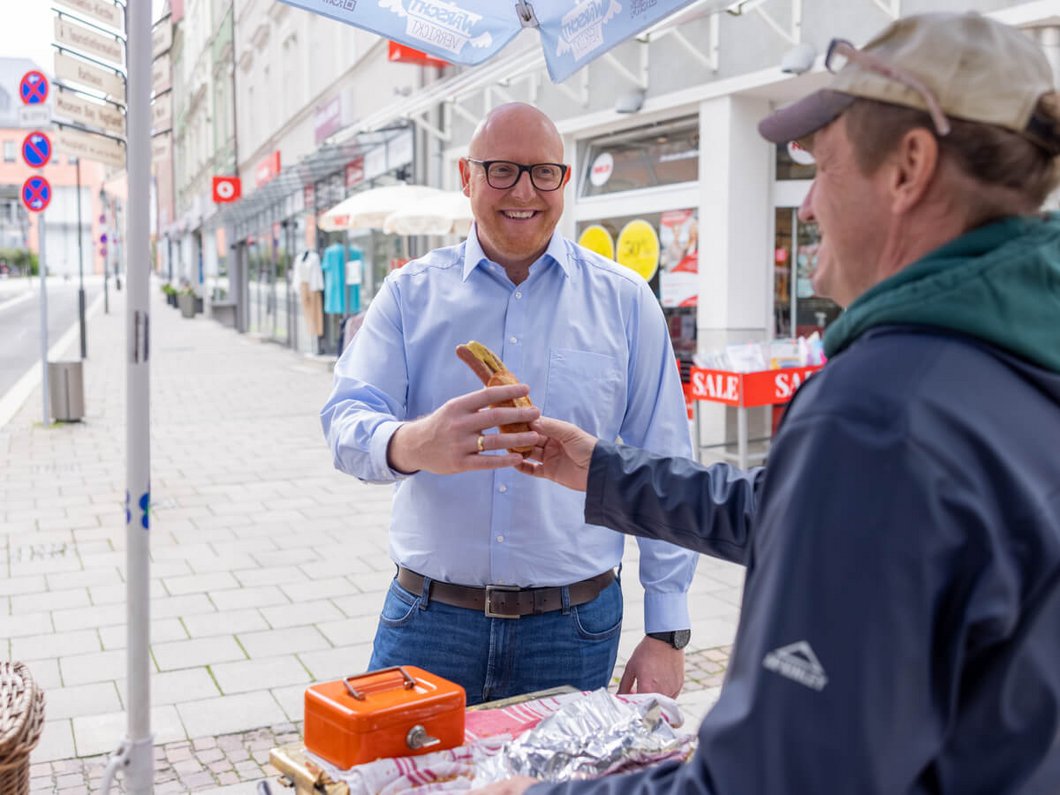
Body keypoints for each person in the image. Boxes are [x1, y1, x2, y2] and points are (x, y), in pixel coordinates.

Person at [474, 12, 1060, 794]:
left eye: (823, 165)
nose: (809, 203)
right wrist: (602, 472)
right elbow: (816, 515)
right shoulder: (1014, 360)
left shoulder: (882, 413)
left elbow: (775, 777)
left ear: (908, 167)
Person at [321, 102, 698, 705]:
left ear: (564, 183)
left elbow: (666, 466)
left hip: (574, 625)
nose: (523, 190)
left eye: (542, 172)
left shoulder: (625, 303)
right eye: (501, 170)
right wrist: (416, 443)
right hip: (429, 622)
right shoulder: (410, 294)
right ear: (467, 178)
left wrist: (667, 630)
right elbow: (343, 420)